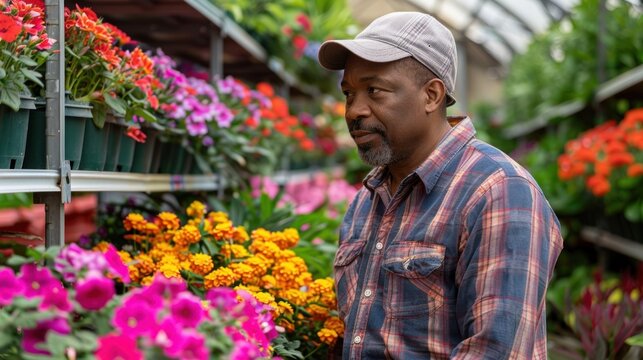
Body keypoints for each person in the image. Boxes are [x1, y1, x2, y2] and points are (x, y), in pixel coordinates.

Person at [317, 11, 563, 359]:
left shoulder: (499, 192)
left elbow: (496, 351)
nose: (354, 110)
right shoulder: (366, 201)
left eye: (374, 90)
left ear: (431, 95)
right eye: (348, 93)